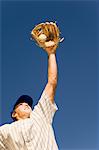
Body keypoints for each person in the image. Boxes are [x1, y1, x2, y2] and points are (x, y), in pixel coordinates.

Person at [0, 43, 59, 149]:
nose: (26, 104)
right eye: (21, 104)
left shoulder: (40, 115)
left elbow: (52, 82)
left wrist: (51, 53)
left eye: (28, 104)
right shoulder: (5, 131)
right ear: (14, 114)